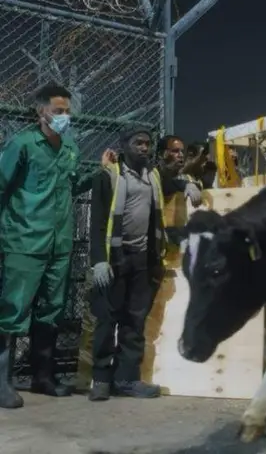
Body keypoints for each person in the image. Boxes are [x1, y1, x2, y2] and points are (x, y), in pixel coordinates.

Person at [0, 84, 109, 409]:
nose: (65, 117)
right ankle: (2, 382)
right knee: (13, 311)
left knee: (51, 309)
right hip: (25, 240)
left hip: (59, 244)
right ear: (41, 112)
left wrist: (99, 172)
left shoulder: (70, 147)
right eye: (59, 111)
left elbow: (71, 186)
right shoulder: (22, 144)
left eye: (68, 111)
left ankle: (43, 377)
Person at [88, 125, 170, 401]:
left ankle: (126, 379)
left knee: (134, 322)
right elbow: (97, 222)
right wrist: (99, 261)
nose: (144, 148)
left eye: (147, 143)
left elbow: (173, 182)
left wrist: (189, 184)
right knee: (107, 319)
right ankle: (100, 379)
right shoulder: (108, 176)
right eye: (138, 143)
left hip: (142, 259)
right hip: (115, 259)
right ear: (124, 145)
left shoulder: (153, 177)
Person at [156, 135, 203, 204]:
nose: (181, 155)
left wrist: (189, 184)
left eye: (182, 151)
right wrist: (185, 184)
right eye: (175, 151)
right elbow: (165, 185)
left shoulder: (182, 177)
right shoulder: (151, 175)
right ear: (161, 154)